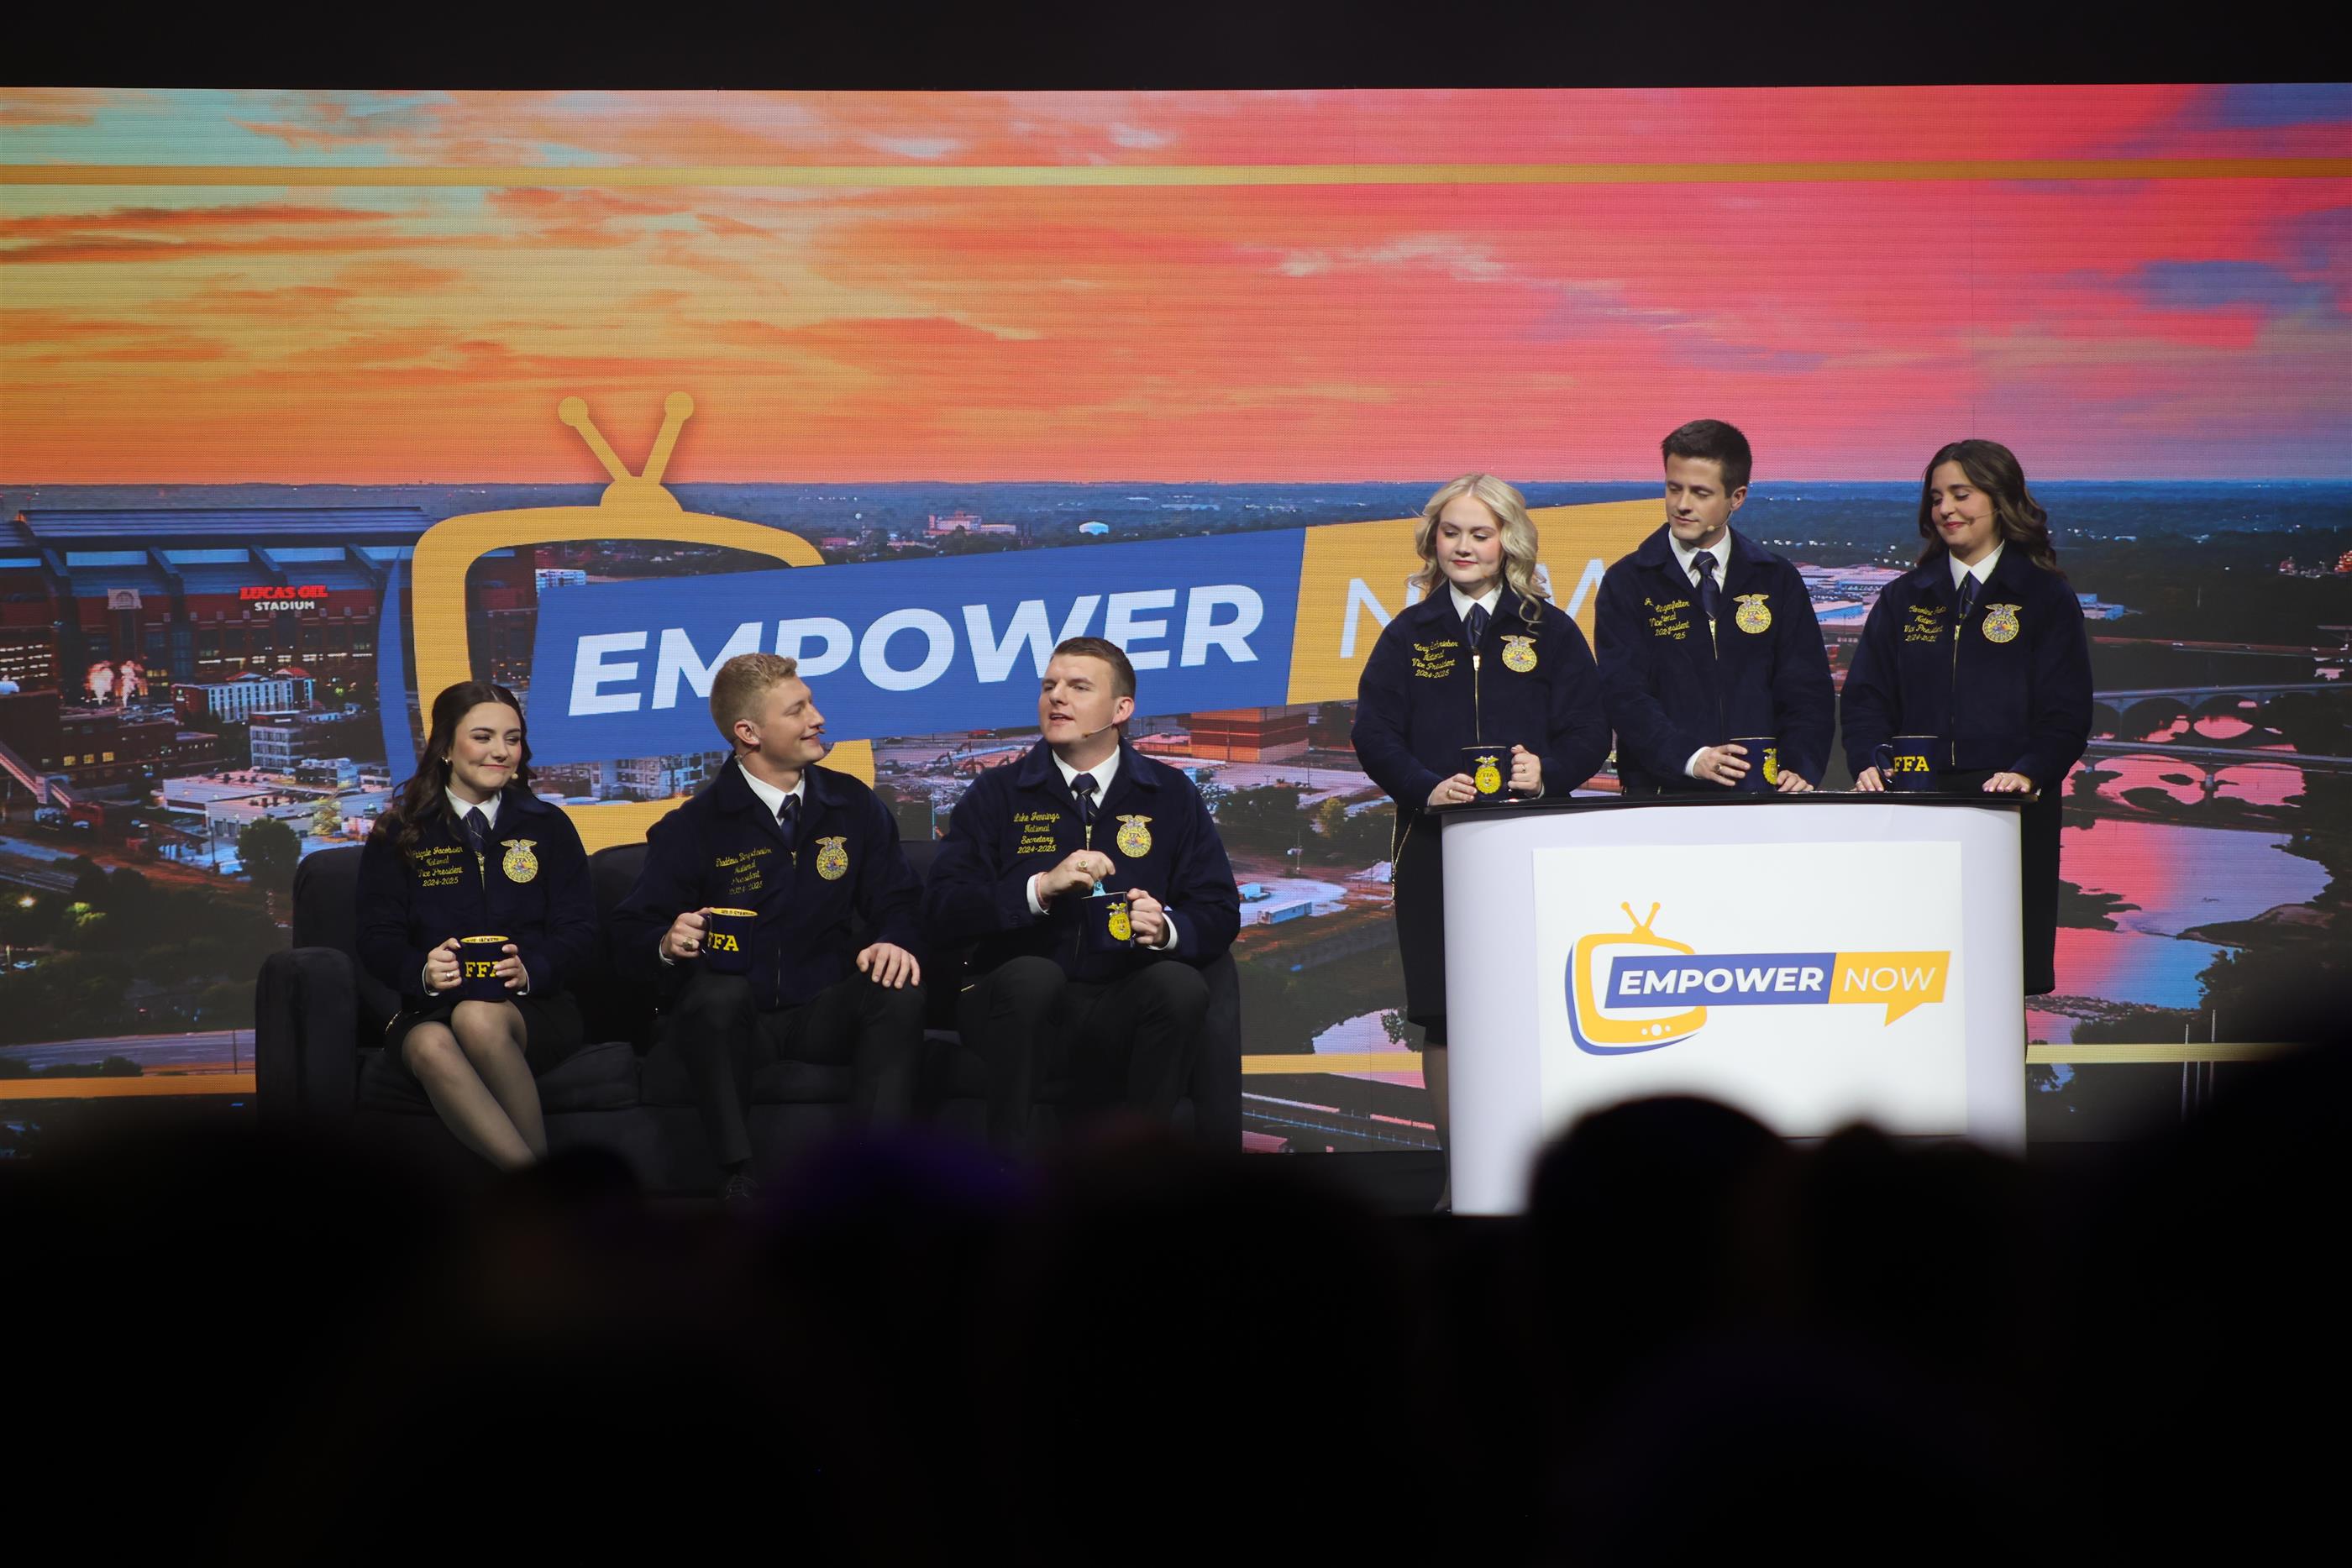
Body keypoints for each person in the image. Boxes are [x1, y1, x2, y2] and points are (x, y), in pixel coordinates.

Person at [1351, 474, 1611, 1167]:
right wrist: (1425, 788)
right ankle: (1461, 1174)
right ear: (1432, 540)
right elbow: (1373, 733)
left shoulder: (1550, 631)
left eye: (1480, 533)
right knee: (1445, 1017)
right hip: (1434, 847)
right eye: (1451, 532)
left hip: (1532, 847)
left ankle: (1544, 1172)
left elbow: (1591, 730)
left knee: (1539, 1007)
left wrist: (1547, 771)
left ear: (1509, 542)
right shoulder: (1407, 634)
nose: (1463, 546)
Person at [611, 653, 925, 1204]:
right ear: (748, 733)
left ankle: (876, 1176)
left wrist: (893, 940)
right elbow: (628, 934)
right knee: (718, 994)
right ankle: (738, 1176)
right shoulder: (693, 826)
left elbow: (899, 900)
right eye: (797, 710)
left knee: (896, 987)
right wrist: (666, 941)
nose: (818, 719)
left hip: (824, 1011)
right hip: (736, 1021)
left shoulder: (853, 805)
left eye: (812, 704)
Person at [923, 636, 1240, 1152]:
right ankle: (1007, 1172)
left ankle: (1140, 1169)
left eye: (1078, 687)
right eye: (1049, 686)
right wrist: (1038, 890)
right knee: (1035, 976)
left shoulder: (1171, 794)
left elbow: (1219, 909)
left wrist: (1165, 928)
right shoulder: (997, 793)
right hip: (1011, 1002)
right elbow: (942, 908)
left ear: (1121, 709)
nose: (1057, 697)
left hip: (1117, 1001)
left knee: (1179, 987)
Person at [1843, 439, 2092, 994]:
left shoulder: (2044, 599)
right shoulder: (1903, 599)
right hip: (1914, 808)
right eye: (1936, 498)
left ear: (2000, 500)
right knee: (1912, 976)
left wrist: (2028, 770)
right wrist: (1868, 759)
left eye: (1961, 494)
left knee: (1997, 977)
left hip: (2007, 812)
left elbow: (2067, 713)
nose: (1946, 509)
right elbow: (1865, 699)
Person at [356, 680, 596, 1168]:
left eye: (513, 738)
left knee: (478, 1017)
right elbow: (376, 938)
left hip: (533, 1007)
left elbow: (580, 929)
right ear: (446, 747)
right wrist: (423, 971)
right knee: (430, 1043)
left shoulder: (548, 826)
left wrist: (531, 970)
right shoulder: (400, 832)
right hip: (430, 1007)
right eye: (483, 737)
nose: (501, 752)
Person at [1596, 420, 1835, 793]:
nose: (1682, 505)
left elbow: (1807, 689)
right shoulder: (1627, 582)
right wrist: (1691, 758)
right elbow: (1624, 696)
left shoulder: (1776, 579)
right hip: (1661, 795)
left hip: (1762, 793)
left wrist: (1799, 766)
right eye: (1674, 488)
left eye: (1701, 493)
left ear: (1736, 498)